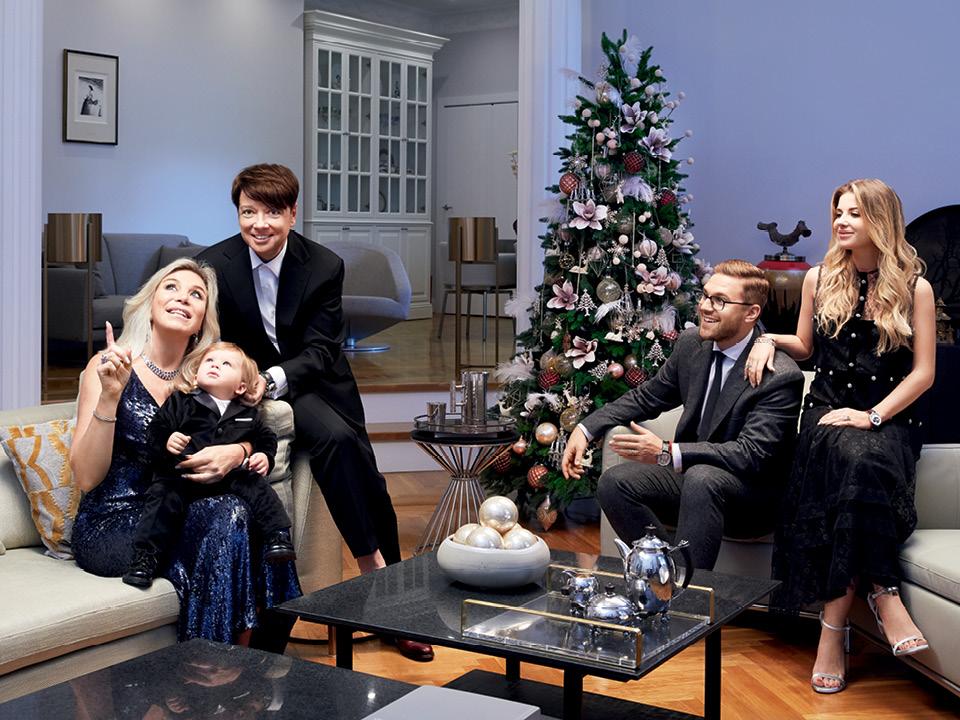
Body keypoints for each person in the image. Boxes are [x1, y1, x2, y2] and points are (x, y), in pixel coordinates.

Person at [198, 163, 433, 662]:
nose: (259, 224)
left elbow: (324, 349)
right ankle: (375, 574)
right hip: (249, 389)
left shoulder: (324, 264)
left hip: (317, 380)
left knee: (368, 473)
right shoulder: (214, 265)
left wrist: (273, 378)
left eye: (272, 213)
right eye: (248, 212)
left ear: (292, 214)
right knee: (337, 441)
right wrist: (244, 381)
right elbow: (210, 341)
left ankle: (394, 596)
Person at [744, 178, 935, 693]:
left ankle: (832, 633)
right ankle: (883, 593)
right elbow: (806, 345)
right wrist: (767, 340)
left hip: (888, 422)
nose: (841, 221)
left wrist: (872, 416)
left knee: (862, 460)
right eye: (838, 212)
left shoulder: (915, 288)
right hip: (826, 415)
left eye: (855, 213)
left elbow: (923, 374)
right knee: (851, 455)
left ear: (882, 220)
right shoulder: (819, 277)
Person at [70, 258, 301, 646]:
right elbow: (86, 478)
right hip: (114, 522)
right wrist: (110, 396)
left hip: (183, 509)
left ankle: (251, 656)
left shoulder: (209, 379)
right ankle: (214, 665)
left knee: (245, 515)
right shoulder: (110, 365)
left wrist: (239, 451)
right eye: (171, 287)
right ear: (151, 304)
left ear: (201, 322)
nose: (183, 298)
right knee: (229, 517)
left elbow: (249, 427)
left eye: (196, 295)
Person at [562, 259, 805, 570]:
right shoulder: (692, 345)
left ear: (751, 313)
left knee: (702, 479)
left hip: (751, 499)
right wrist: (586, 428)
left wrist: (667, 451)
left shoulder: (780, 375)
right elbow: (648, 396)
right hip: (693, 480)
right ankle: (666, 574)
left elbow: (750, 455)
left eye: (720, 301)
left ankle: (687, 593)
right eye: (705, 296)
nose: (705, 307)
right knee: (614, 483)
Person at [123, 341, 296, 588]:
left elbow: (265, 438)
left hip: (228, 479)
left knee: (257, 486)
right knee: (161, 496)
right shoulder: (182, 401)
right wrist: (167, 440)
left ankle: (277, 536)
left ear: (241, 386)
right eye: (210, 361)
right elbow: (155, 430)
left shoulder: (247, 413)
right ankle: (145, 558)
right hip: (183, 476)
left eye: (226, 364)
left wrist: (264, 456)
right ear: (196, 375)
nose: (215, 365)